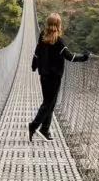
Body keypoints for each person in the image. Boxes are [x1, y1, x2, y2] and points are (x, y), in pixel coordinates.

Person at [29, 12, 88, 142]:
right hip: (54, 77)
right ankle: (34, 125)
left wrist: (34, 65)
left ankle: (45, 130)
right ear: (59, 25)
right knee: (49, 103)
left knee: (49, 103)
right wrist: (84, 57)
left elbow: (37, 52)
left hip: (43, 75)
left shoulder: (42, 37)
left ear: (47, 24)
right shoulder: (59, 41)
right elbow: (69, 56)